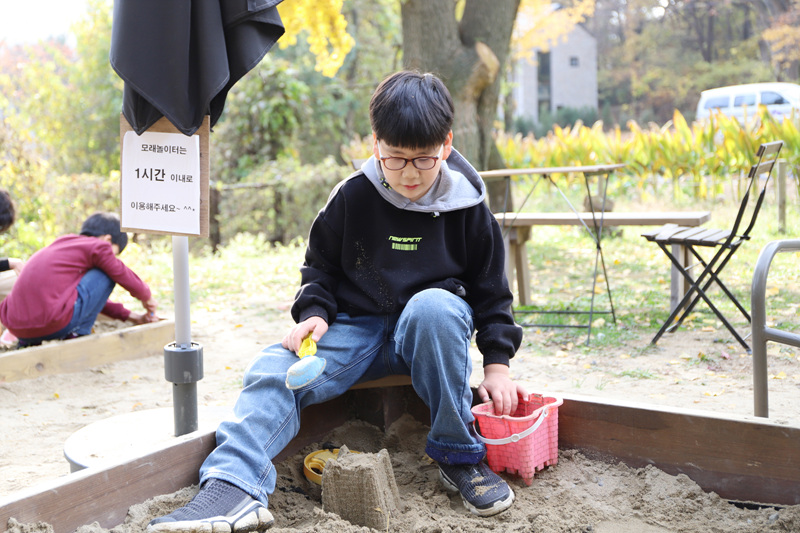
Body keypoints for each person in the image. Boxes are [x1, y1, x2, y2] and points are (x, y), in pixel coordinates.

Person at [148, 70, 527, 532]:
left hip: (428, 334)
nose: (409, 173)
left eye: (423, 160)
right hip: (356, 329)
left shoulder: (469, 208)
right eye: (395, 158)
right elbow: (320, 269)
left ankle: (458, 455)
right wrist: (314, 313)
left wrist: (498, 366)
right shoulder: (352, 197)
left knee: (435, 307)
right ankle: (233, 487)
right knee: (273, 368)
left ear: (446, 144)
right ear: (376, 144)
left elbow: (491, 292)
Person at [0, 212, 158, 347]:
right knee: (108, 274)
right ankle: (77, 334)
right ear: (108, 240)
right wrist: (147, 297)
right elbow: (121, 273)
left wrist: (133, 317)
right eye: (114, 254)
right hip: (49, 323)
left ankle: (28, 342)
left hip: (16, 326)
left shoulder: (62, 245)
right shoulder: (98, 246)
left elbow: (88, 300)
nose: (111, 258)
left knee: (102, 276)